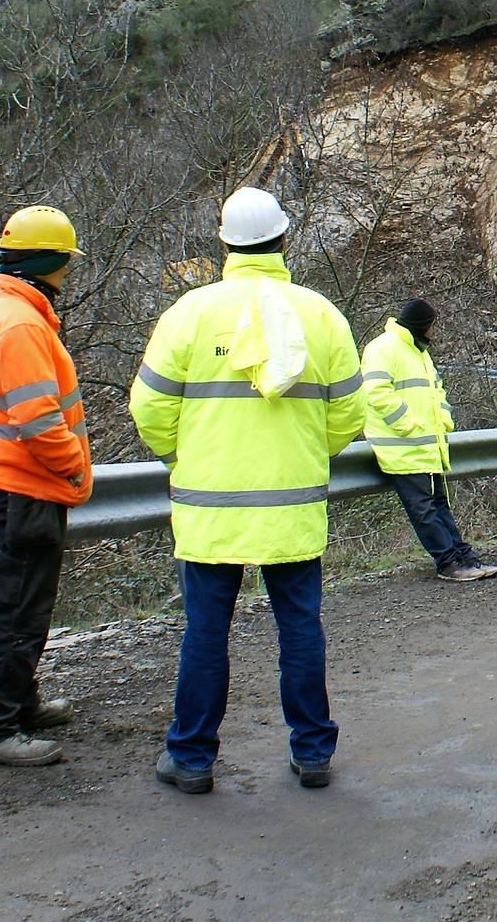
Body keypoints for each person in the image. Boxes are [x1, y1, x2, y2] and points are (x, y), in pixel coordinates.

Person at [129, 187, 364, 794]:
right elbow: (347, 416)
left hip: (210, 511)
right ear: (284, 240)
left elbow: (150, 409)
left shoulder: (188, 314)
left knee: (206, 633)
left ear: (225, 242)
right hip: (293, 507)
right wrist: (305, 457)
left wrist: (186, 458)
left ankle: (191, 758)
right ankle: (312, 753)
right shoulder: (321, 316)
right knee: (300, 630)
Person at [0, 205, 92, 768]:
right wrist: (75, 467)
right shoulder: (18, 324)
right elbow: (38, 420)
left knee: (23, 604)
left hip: (13, 483)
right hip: (25, 486)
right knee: (15, 608)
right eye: (65, 262)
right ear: (51, 262)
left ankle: (17, 703)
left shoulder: (8, 311)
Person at [362, 298, 497, 582]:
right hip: (403, 448)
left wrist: (444, 420)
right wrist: (409, 425)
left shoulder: (419, 352)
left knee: (437, 506)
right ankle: (449, 564)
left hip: (427, 447)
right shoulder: (382, 348)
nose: (434, 332)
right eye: (433, 326)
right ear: (423, 326)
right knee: (424, 510)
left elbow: (438, 392)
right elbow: (375, 393)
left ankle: (463, 557)